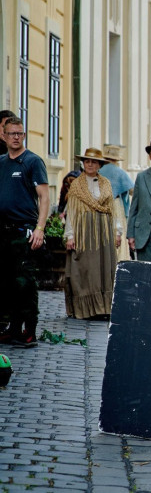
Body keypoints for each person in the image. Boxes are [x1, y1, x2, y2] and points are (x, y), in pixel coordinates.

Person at [0, 117, 50, 346]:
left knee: (25, 283)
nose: (16, 137)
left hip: (25, 231)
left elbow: (44, 197)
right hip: (4, 231)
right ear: (4, 135)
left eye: (20, 133)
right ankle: (13, 329)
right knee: (8, 283)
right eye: (12, 133)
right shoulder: (1, 162)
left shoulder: (32, 162)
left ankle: (29, 330)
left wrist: (40, 228)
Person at [63, 148, 121, 320]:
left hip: (103, 231)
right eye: (87, 161)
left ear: (99, 165)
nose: (90, 164)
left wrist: (117, 231)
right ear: (83, 163)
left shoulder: (106, 184)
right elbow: (71, 212)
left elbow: (113, 209)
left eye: (94, 162)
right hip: (84, 232)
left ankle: (103, 308)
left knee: (104, 269)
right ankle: (85, 309)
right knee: (85, 269)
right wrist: (70, 235)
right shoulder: (76, 185)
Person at [99, 145, 134, 261]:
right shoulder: (119, 172)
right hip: (115, 204)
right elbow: (132, 190)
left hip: (99, 204)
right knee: (118, 235)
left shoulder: (99, 170)